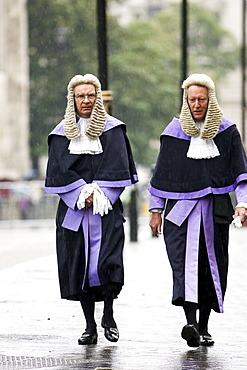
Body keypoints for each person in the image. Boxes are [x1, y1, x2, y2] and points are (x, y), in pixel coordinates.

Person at [149, 73, 247, 347]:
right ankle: (190, 322)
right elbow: (161, 176)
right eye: (191, 100)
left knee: (209, 268)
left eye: (201, 99)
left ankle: (204, 325)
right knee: (182, 267)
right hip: (178, 216)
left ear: (210, 99)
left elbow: (241, 174)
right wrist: (155, 210)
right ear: (186, 100)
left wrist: (243, 204)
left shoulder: (227, 132)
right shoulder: (173, 133)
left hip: (214, 213)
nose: (196, 105)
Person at [44, 73, 138, 345]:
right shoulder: (61, 133)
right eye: (80, 96)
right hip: (73, 213)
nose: (85, 100)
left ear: (98, 98)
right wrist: (79, 192)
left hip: (106, 211)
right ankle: (89, 326)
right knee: (79, 268)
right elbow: (58, 172)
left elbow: (119, 167)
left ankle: (108, 314)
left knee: (108, 264)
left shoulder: (114, 130)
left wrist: (100, 193)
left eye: (90, 95)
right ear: (72, 99)